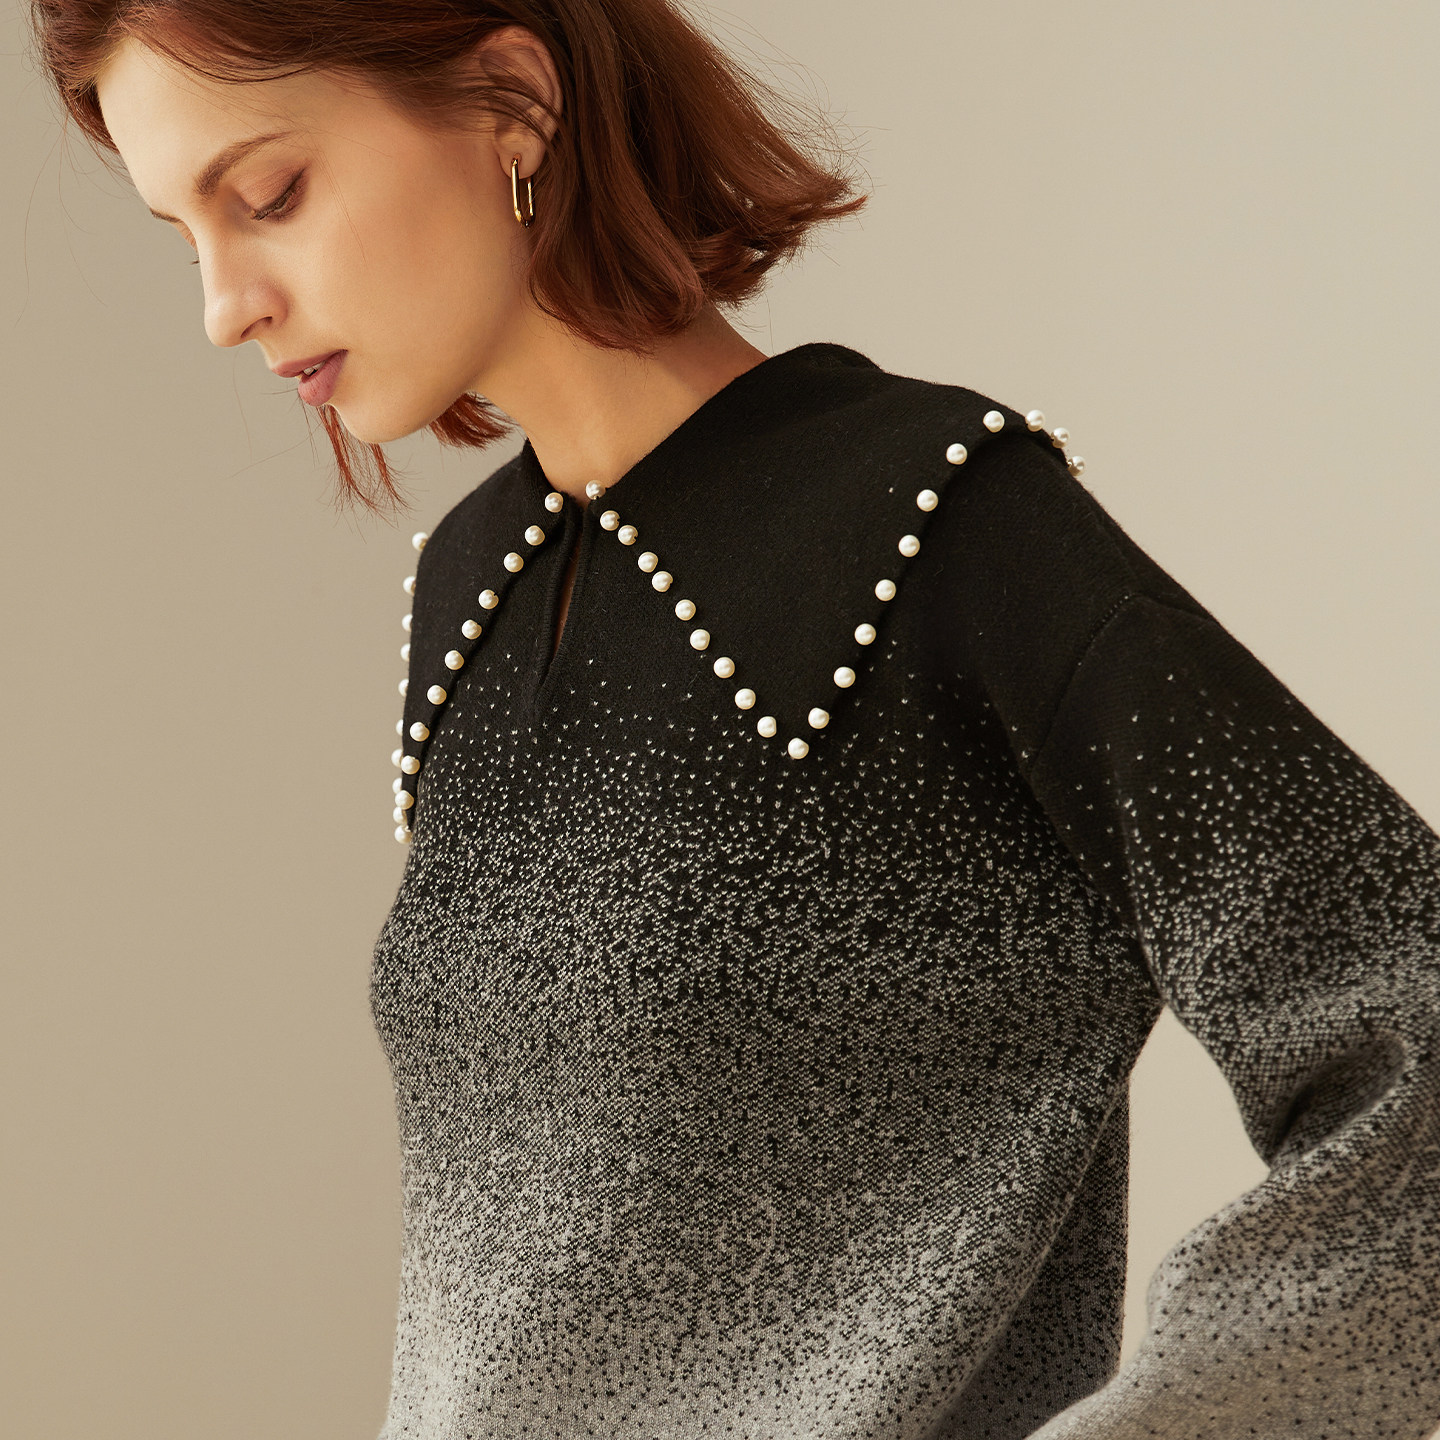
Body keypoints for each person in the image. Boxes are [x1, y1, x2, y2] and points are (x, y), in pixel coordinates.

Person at [30, 1, 1440, 1436]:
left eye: (268, 195)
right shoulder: (474, 591)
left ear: (512, 100)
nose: (223, 305)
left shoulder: (933, 523)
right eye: (184, 233)